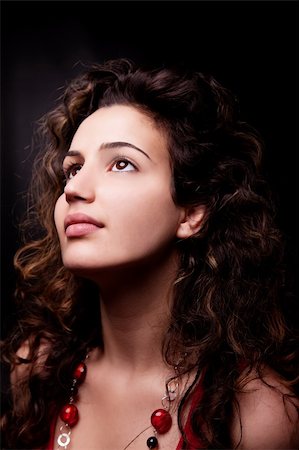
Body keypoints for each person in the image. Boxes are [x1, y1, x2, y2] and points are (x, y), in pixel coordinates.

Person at [1, 57, 298, 450]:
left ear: (191, 212)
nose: (74, 189)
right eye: (72, 169)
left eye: (122, 164)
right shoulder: (37, 370)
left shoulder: (257, 414)